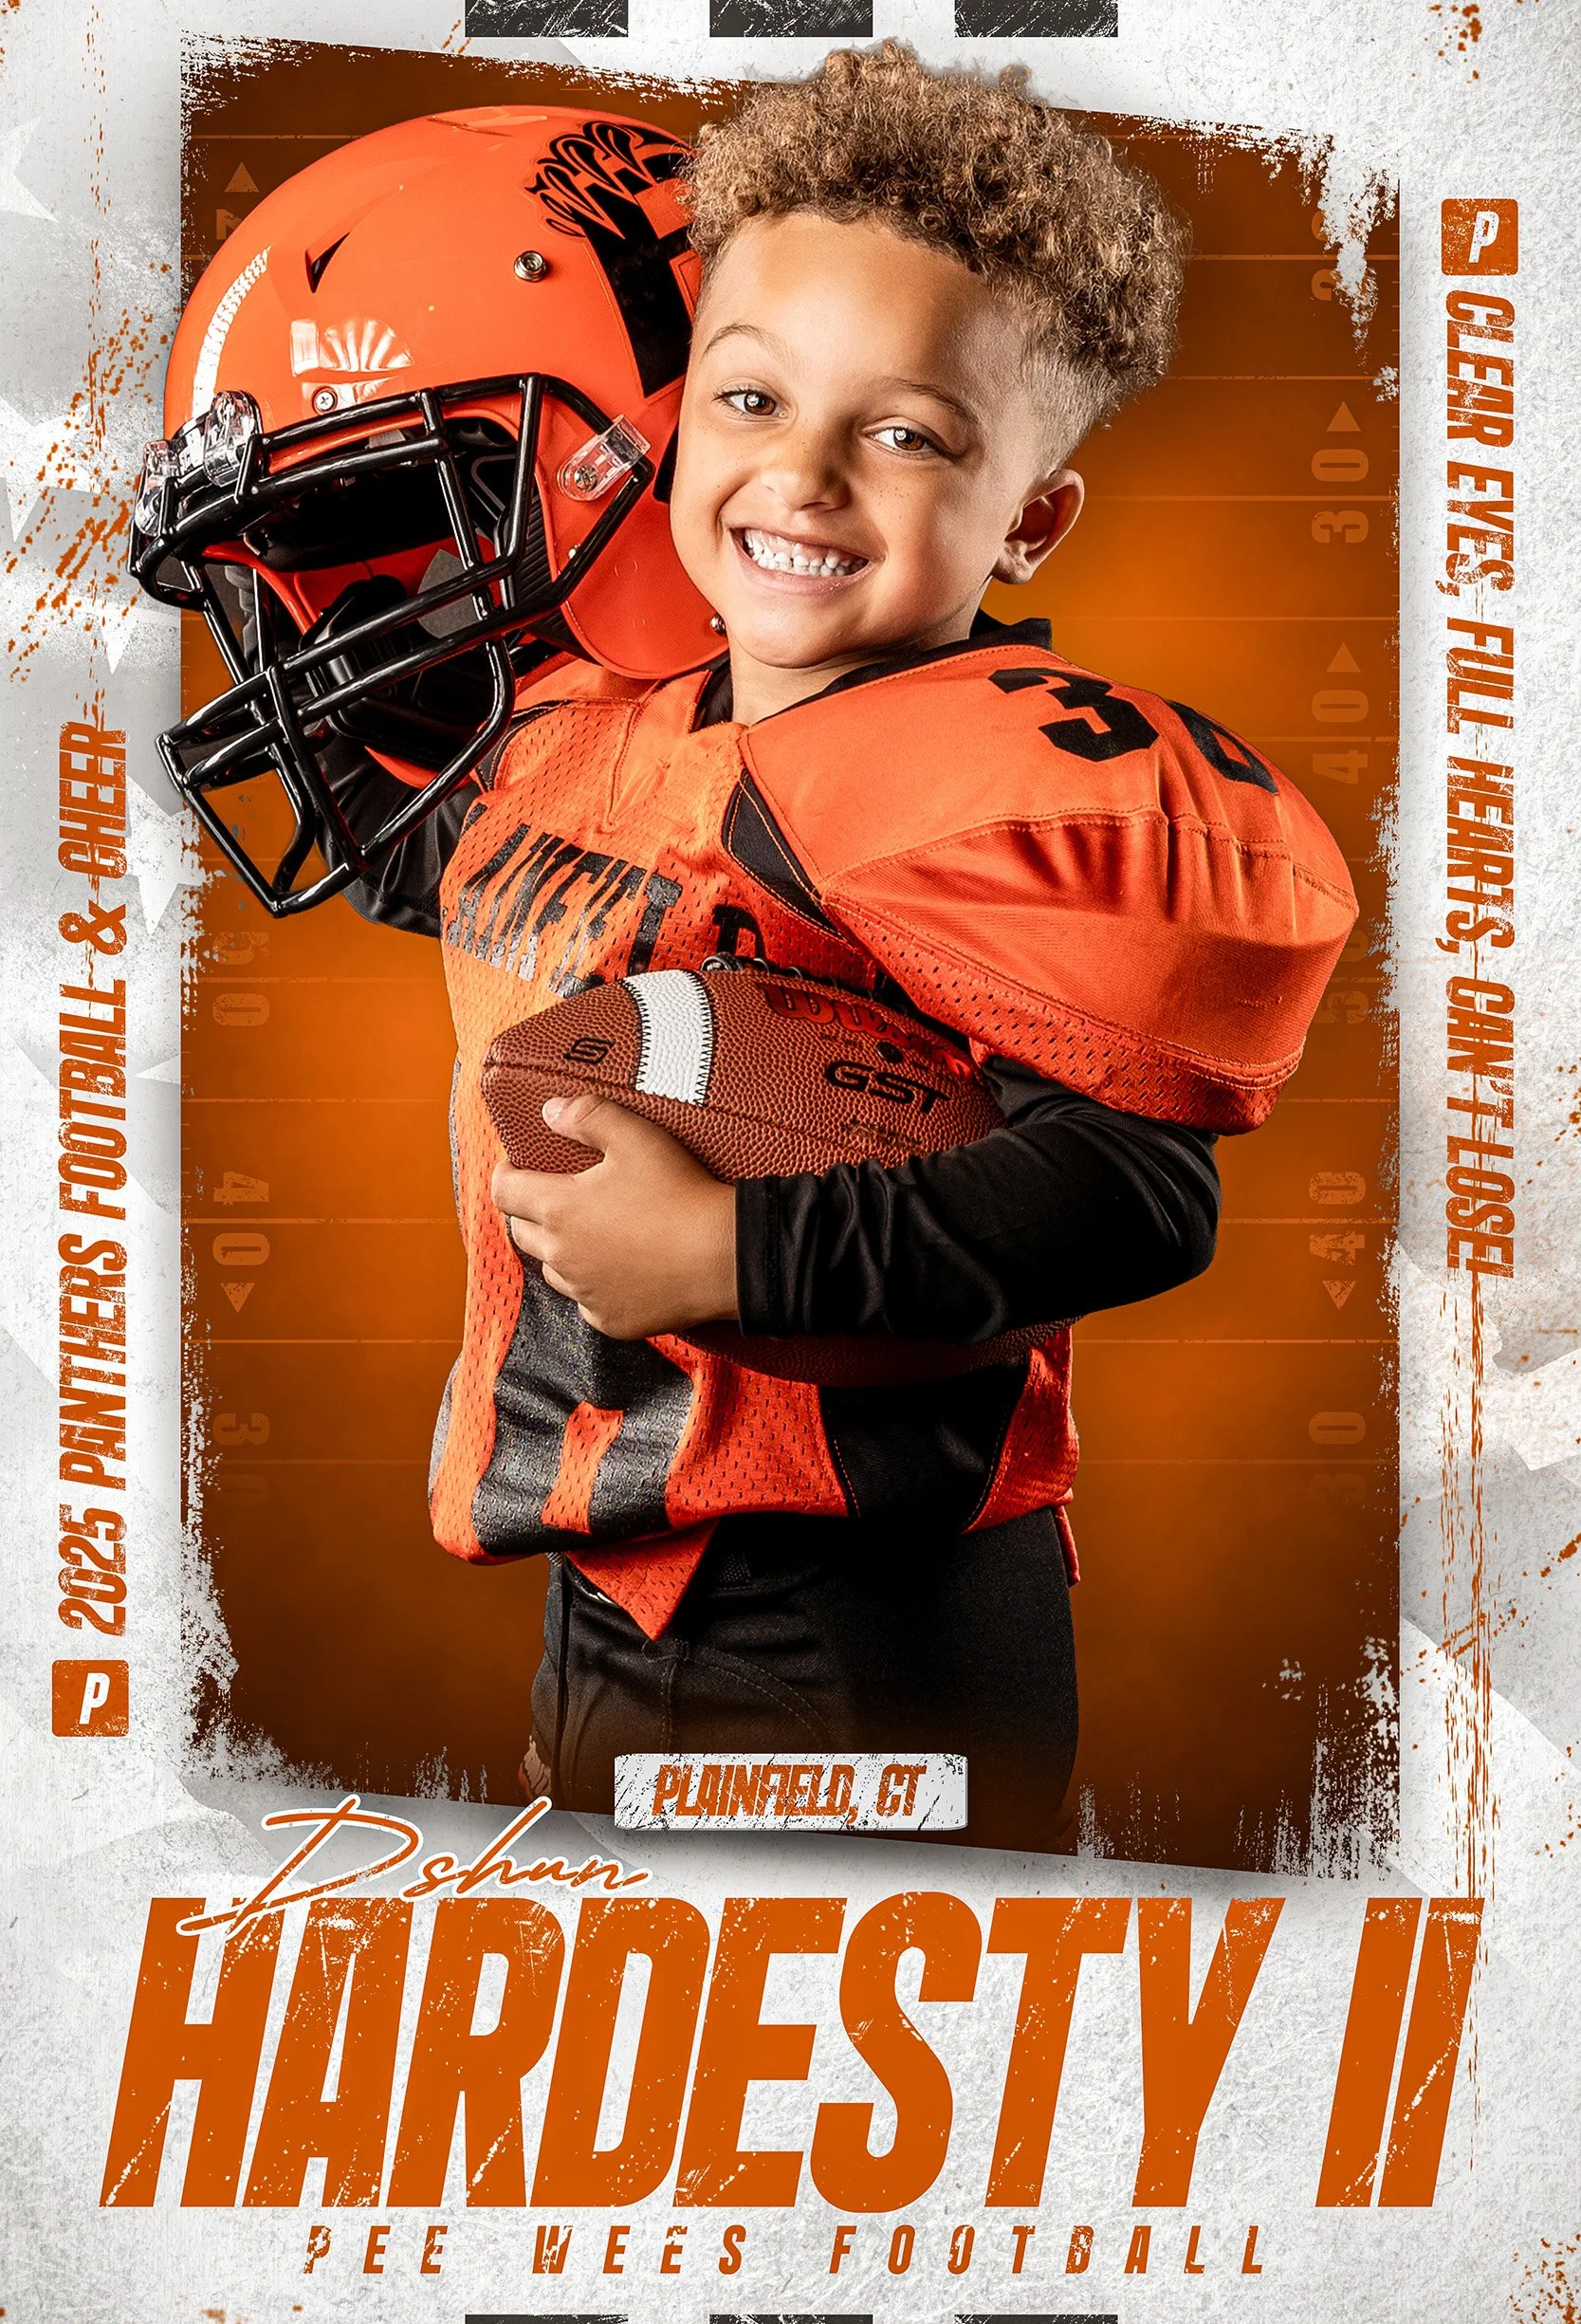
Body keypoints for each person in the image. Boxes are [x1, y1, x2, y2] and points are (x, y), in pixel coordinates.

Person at [138, 53, 1355, 1850]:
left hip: (859, 1601)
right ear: (663, 428)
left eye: (906, 432)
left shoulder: (983, 778)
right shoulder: (592, 724)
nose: (802, 475)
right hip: (623, 1570)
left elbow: (1133, 1198)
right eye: (751, 398)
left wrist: (726, 1249)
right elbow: (459, 874)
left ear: (1029, 512)